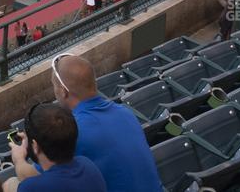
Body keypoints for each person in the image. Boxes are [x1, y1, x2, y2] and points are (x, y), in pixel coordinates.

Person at [49, 54, 163, 192]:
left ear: (63, 92)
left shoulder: (73, 131)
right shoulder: (125, 113)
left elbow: (36, 175)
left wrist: (19, 159)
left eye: (54, 86)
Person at [6, 103, 108, 192]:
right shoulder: (88, 165)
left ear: (35, 146)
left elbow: (30, 182)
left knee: (8, 184)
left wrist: (18, 159)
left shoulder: (31, 188)